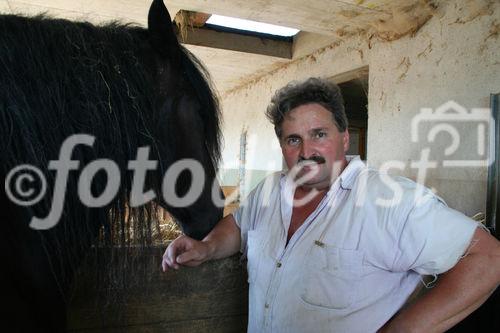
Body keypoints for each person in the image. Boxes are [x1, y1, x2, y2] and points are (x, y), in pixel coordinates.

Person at [162, 77, 500, 333]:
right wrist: (207, 247)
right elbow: (238, 227)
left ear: (344, 138)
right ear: (282, 146)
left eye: (319, 134)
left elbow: (489, 259)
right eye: (293, 139)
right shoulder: (270, 191)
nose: (306, 150)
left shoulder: (391, 200)